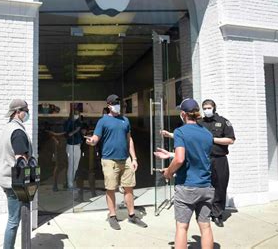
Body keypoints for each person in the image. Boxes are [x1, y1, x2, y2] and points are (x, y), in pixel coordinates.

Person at [86, 94, 147, 230]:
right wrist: (91, 141)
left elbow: (129, 139)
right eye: (116, 103)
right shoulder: (103, 121)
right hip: (109, 160)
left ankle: (132, 215)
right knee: (111, 189)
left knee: (129, 187)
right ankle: (113, 216)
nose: (119, 106)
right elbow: (96, 137)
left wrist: (134, 158)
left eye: (120, 104)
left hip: (125, 160)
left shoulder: (125, 120)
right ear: (109, 105)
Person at [160, 98, 215, 249]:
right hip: (206, 186)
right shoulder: (207, 134)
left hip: (187, 187)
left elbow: (180, 158)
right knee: (205, 227)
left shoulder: (180, 132)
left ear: (183, 114)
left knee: (182, 227)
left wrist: (168, 173)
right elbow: (198, 155)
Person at [0, 99, 33, 249]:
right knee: (13, 220)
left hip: (6, 179)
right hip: (15, 183)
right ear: (18, 112)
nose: (28, 114)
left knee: (13, 219)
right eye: (26, 111)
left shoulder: (8, 128)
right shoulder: (18, 132)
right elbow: (21, 160)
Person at [198, 99, 235, 227]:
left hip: (219, 159)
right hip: (203, 159)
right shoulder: (199, 123)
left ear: (214, 108)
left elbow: (230, 140)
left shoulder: (223, 122)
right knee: (204, 186)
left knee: (220, 186)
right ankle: (204, 212)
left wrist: (212, 139)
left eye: (209, 107)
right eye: (204, 108)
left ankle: (217, 214)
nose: (207, 110)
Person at [64, 109, 83, 189]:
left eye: (78, 114)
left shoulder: (79, 122)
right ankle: (70, 184)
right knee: (71, 165)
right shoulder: (68, 122)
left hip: (77, 145)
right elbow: (67, 133)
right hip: (71, 145)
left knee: (75, 166)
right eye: (75, 114)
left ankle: (71, 182)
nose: (76, 115)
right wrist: (75, 130)